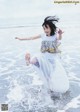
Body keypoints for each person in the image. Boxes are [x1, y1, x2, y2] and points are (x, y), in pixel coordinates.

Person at [15, 16, 69, 93]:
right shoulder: (43, 35)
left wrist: (60, 34)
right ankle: (28, 61)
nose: (45, 30)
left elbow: (59, 38)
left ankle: (50, 88)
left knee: (49, 76)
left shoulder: (54, 36)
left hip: (51, 60)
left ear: (51, 28)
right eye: (44, 28)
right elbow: (31, 37)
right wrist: (21, 39)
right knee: (34, 60)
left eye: (46, 28)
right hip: (42, 56)